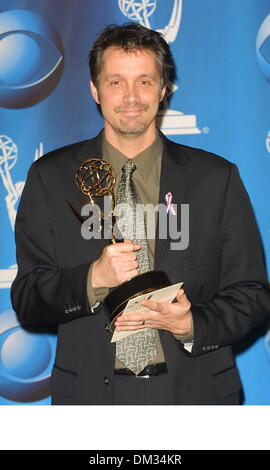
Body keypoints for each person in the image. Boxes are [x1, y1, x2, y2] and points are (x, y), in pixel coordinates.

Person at [11, 23, 270, 405]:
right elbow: (28, 298)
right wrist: (92, 280)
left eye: (144, 81)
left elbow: (251, 295)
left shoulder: (216, 179)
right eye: (116, 82)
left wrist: (192, 325)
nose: (131, 96)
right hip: (90, 401)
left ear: (164, 89)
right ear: (95, 89)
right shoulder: (50, 178)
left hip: (197, 398)